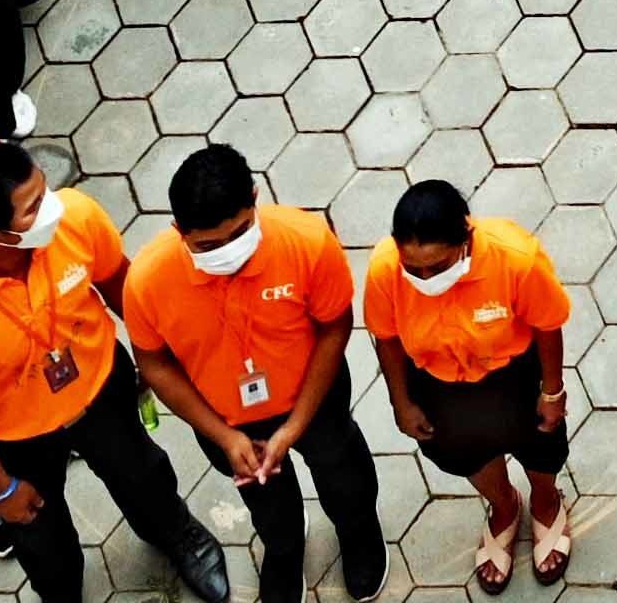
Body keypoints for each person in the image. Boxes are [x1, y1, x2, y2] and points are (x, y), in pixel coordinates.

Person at [0, 141, 233, 603]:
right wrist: (1, 489)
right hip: (20, 437)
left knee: (145, 476)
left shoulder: (76, 219)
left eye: (44, 191)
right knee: (40, 536)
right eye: (32, 208)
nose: (52, 209)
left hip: (104, 389)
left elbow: (120, 283)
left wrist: (155, 359)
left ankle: (177, 535)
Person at [125, 146, 382, 603]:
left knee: (344, 474)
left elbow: (334, 326)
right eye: (208, 245)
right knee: (266, 501)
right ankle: (284, 548)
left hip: (314, 398)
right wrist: (225, 437)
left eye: (240, 232)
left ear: (255, 199)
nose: (228, 253)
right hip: (224, 418)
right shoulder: (147, 280)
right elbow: (155, 363)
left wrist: (296, 425)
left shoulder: (307, 241)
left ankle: (358, 532)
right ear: (178, 232)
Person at [363, 179, 572, 588]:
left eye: (438, 266)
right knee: (465, 453)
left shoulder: (516, 259)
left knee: (540, 443)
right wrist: (400, 401)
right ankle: (504, 507)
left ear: (466, 239)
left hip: (513, 373)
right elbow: (386, 338)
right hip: (438, 384)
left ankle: (547, 502)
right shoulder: (385, 270)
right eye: (413, 268)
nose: (424, 277)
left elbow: (548, 326)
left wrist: (552, 391)